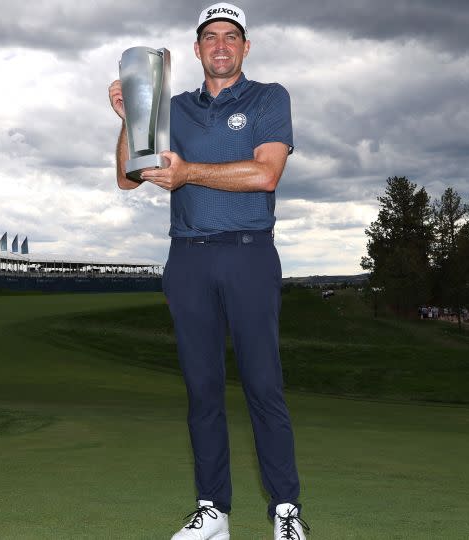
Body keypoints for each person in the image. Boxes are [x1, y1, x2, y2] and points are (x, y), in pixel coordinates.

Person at [109, 4, 307, 539]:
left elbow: (266, 174)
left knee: (264, 385)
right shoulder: (173, 107)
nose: (220, 46)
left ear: (245, 47)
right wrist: (132, 115)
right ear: (196, 51)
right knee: (203, 389)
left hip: (248, 254)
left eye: (231, 37)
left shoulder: (270, 98)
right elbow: (130, 178)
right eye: (210, 38)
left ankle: (285, 512)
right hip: (188, 258)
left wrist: (190, 171)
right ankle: (213, 512)